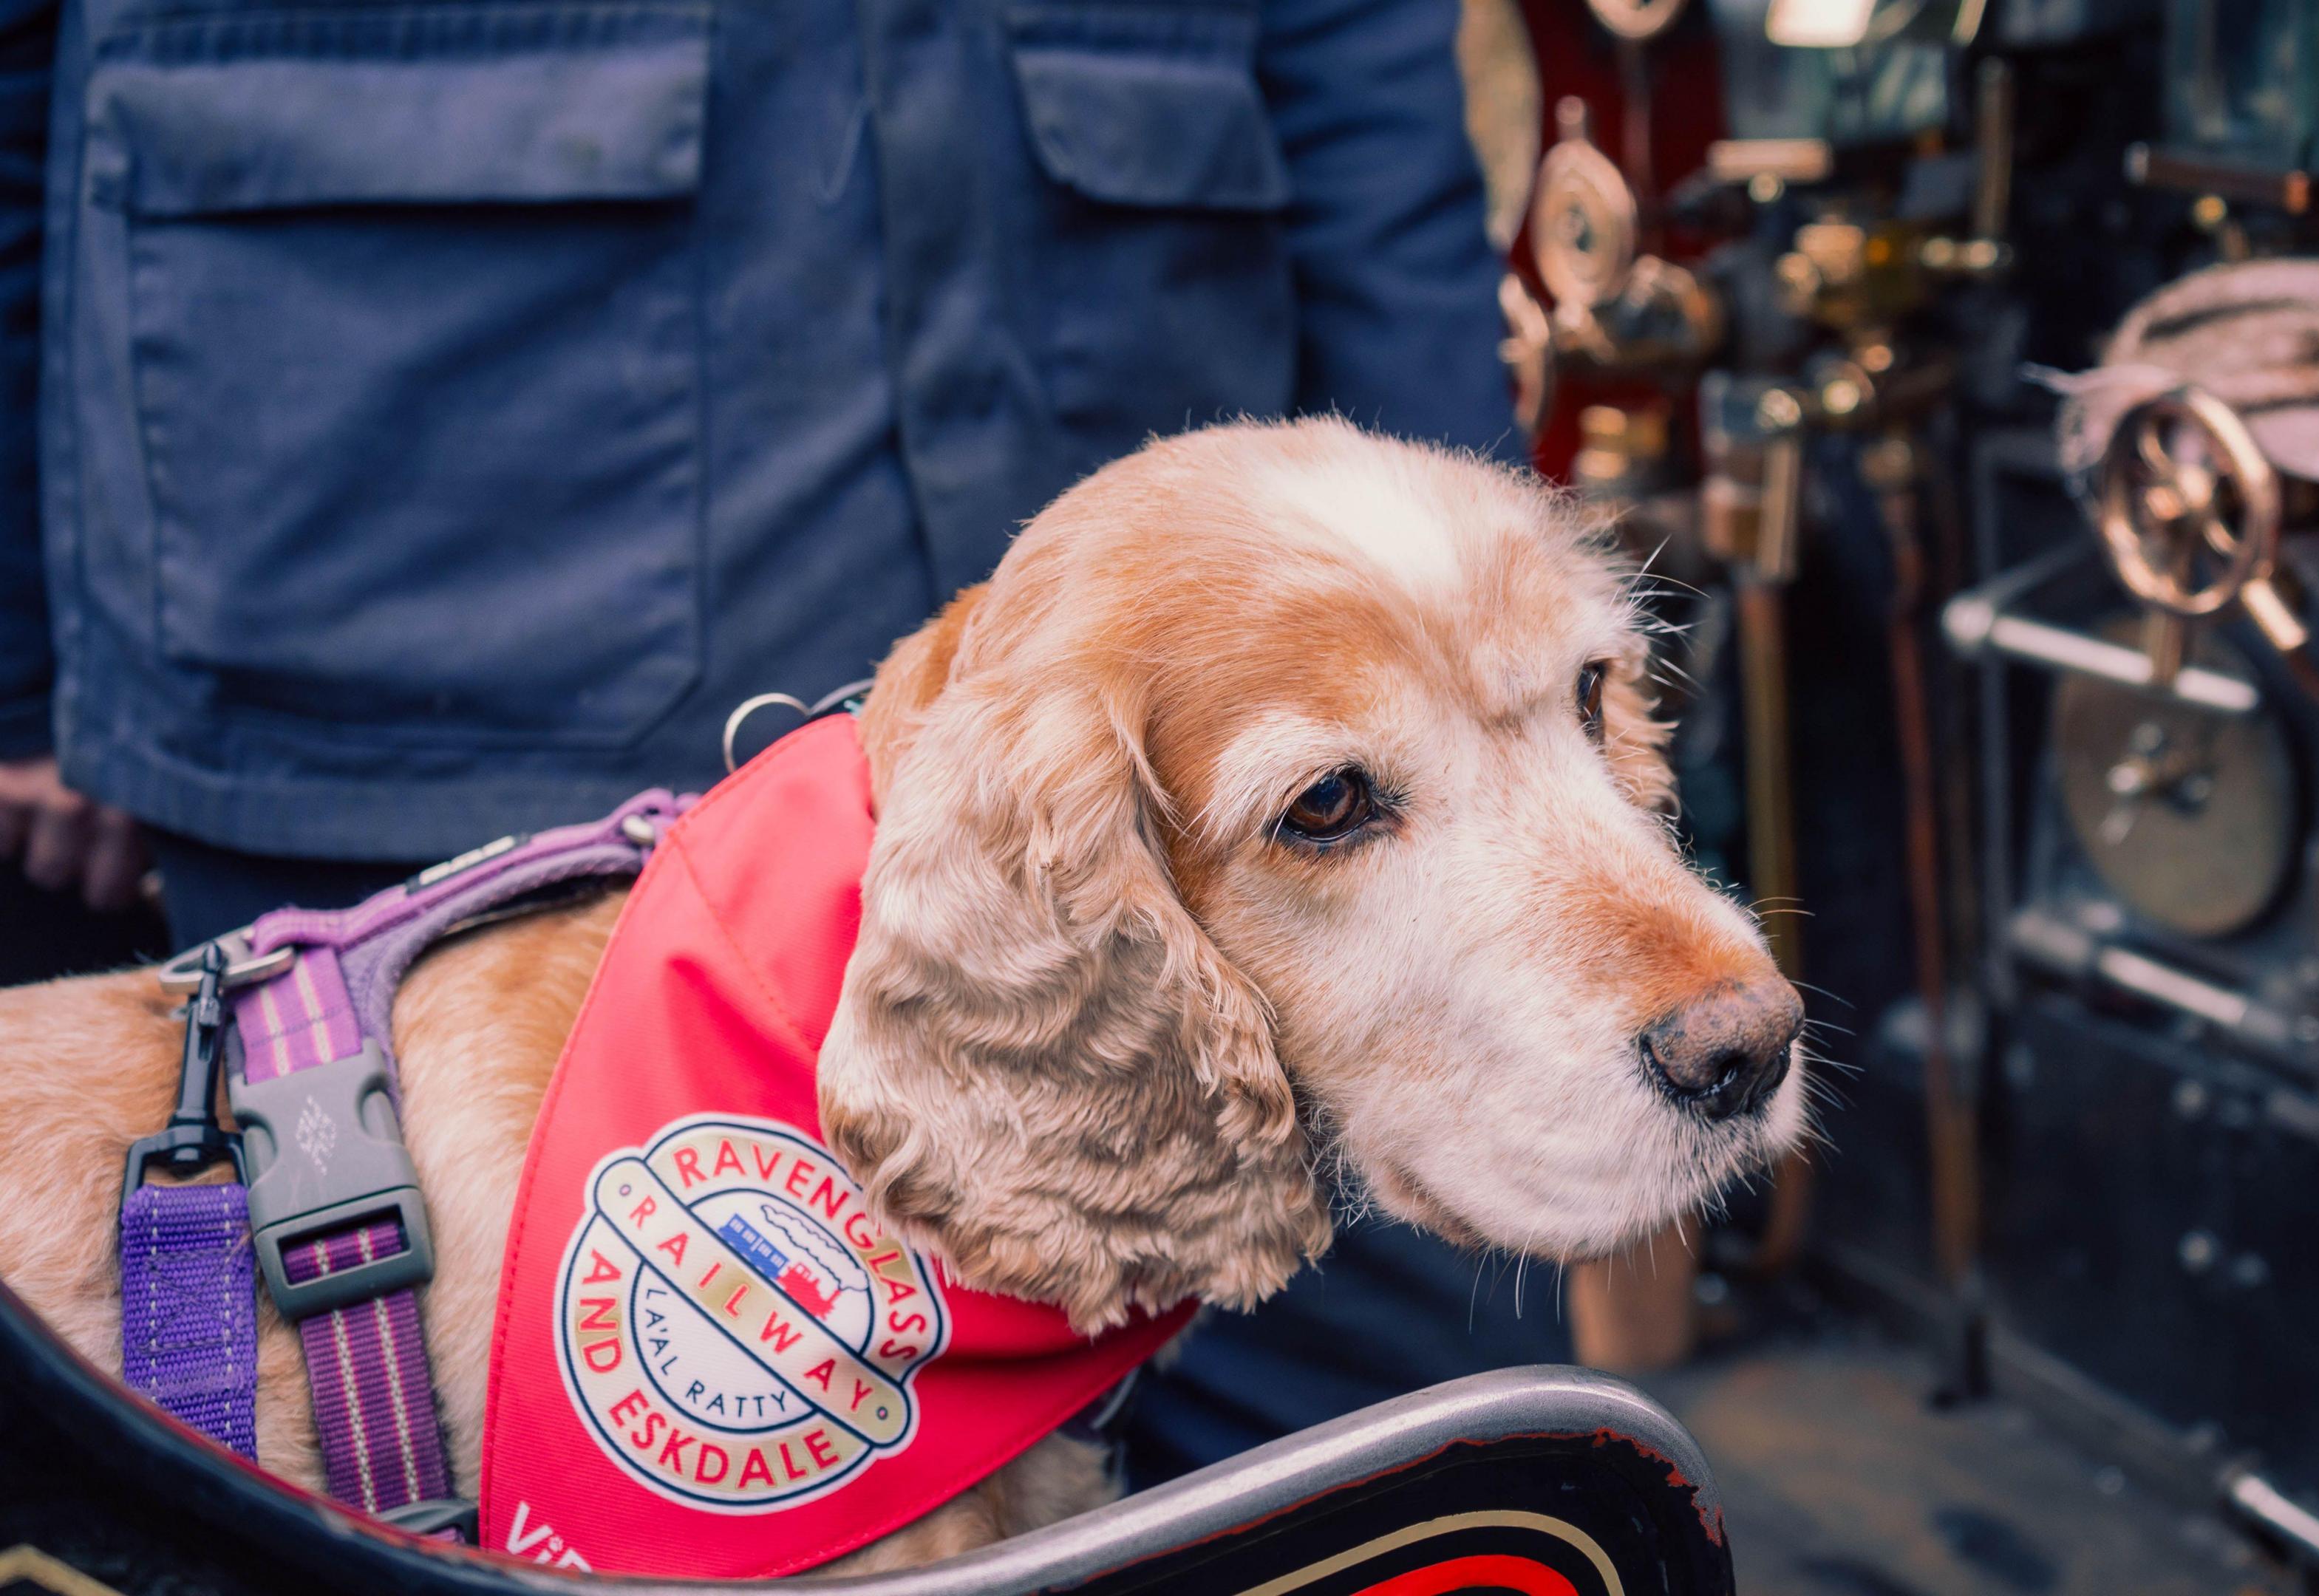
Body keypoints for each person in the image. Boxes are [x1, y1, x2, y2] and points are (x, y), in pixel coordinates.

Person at [0, 0, 1564, 1478]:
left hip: (1197, 646)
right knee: (498, 1479)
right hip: (434, 567)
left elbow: (1358, 70)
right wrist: (20, 645)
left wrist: (1480, 636)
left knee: (1409, 1474)